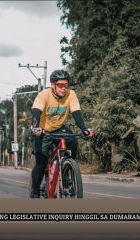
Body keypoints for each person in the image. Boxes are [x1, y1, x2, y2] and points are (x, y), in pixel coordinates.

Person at [30, 69, 94, 198]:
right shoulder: (44, 95)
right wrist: (36, 128)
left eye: (66, 85)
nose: (63, 88)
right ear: (53, 85)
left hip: (59, 128)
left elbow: (76, 113)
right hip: (42, 130)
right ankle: (35, 191)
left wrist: (84, 129)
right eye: (60, 85)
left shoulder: (71, 94)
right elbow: (36, 112)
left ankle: (67, 166)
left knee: (72, 141)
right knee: (41, 163)